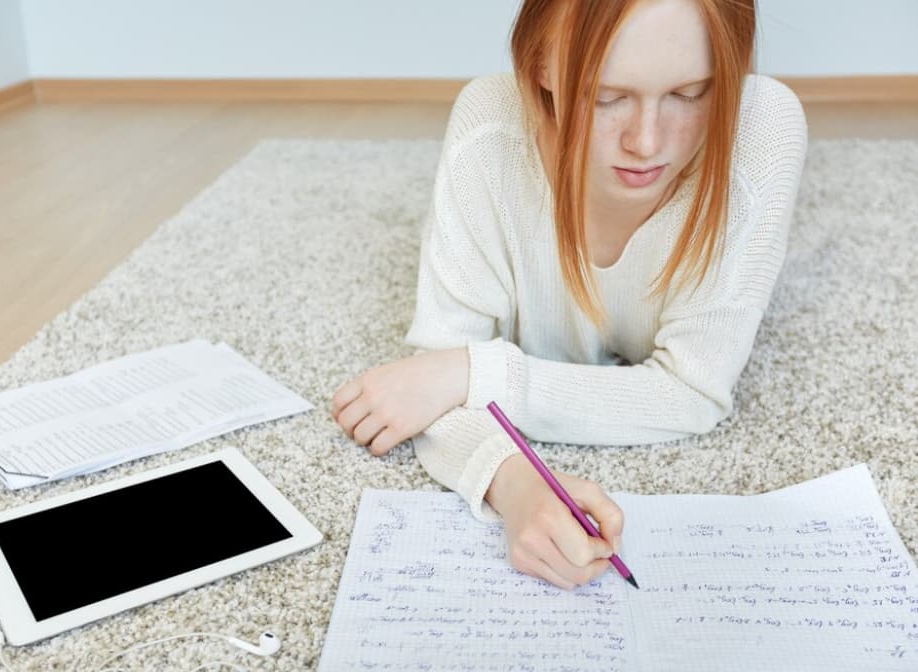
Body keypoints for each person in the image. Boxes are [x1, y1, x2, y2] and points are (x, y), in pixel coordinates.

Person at [332, 0, 807, 591]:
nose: (647, 141)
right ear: (540, 69)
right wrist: (511, 482)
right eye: (606, 96)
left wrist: (476, 372)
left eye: (691, 93)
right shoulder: (490, 130)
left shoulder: (761, 131)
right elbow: (425, 385)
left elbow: (691, 392)